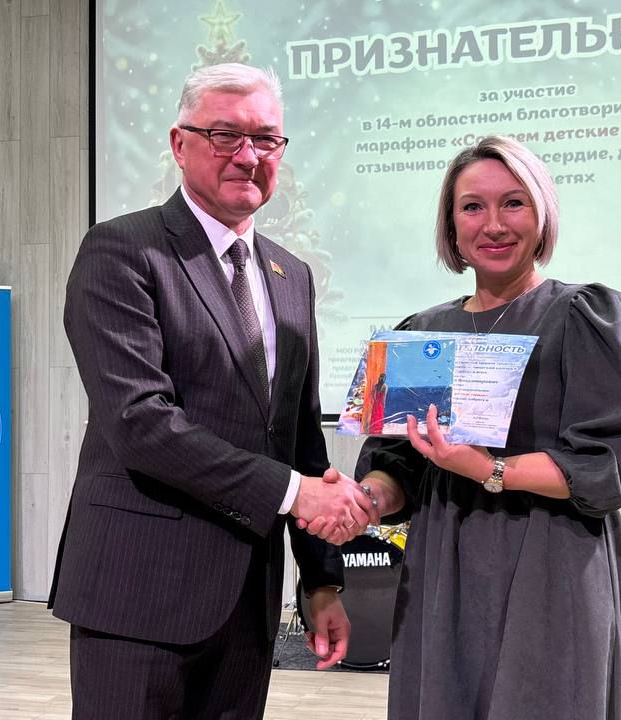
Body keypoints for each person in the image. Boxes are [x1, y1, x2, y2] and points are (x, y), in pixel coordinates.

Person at [49, 63, 375, 720]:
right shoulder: (123, 251)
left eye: (267, 139)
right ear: (180, 143)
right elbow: (141, 423)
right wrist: (295, 494)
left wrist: (320, 581)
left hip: (248, 602)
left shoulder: (291, 275)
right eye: (226, 135)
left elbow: (299, 437)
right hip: (137, 592)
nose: (248, 156)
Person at [307, 135, 621, 718]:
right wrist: (366, 500)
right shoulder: (421, 333)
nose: (494, 224)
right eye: (473, 207)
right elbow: (399, 462)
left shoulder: (586, 316)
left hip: (552, 564)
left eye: (514, 203)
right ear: (451, 227)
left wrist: (487, 469)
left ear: (542, 214)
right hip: (442, 570)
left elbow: (609, 463)